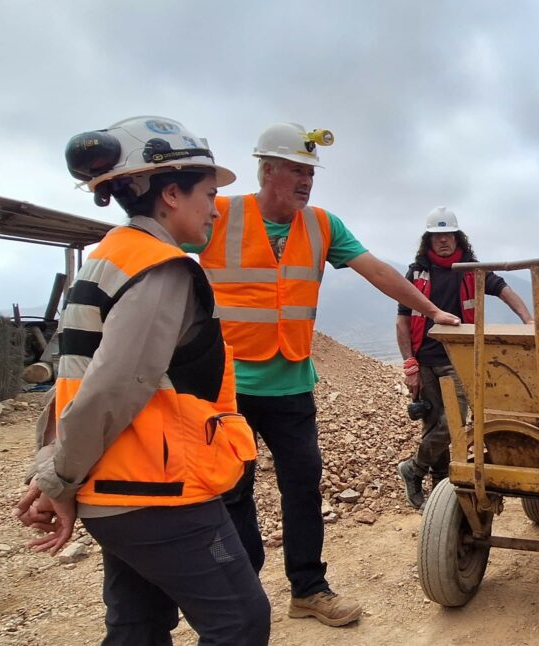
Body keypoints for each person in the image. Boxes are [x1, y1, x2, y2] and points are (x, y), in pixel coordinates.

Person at [187, 122, 460, 627]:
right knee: (233, 491)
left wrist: (429, 310)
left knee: (304, 485)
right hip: (227, 387)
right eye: (296, 169)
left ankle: (308, 589)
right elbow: (161, 254)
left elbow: (375, 269)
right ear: (267, 169)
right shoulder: (218, 213)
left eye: (311, 171)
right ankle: (244, 591)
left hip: (291, 380)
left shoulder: (322, 225)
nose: (306, 180)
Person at [14, 116, 270, 645]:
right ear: (171, 193)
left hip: (115, 492)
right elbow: (112, 387)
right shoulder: (161, 269)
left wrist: (54, 473)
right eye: (207, 193)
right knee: (241, 622)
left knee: (138, 627)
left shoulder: (105, 259)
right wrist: (55, 479)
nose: (215, 207)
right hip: (158, 492)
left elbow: (71, 376)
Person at [395, 207, 533, 509]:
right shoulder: (416, 272)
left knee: (453, 425)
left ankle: (413, 468)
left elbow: (504, 290)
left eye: (448, 234)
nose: (443, 240)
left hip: (459, 359)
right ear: (428, 239)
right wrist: (409, 365)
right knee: (434, 427)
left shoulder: (472, 268)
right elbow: (403, 321)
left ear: (457, 237)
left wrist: (528, 320)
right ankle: (440, 495)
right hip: (426, 359)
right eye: (437, 235)